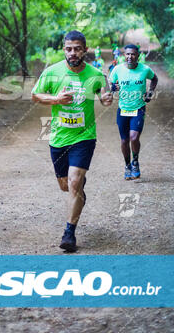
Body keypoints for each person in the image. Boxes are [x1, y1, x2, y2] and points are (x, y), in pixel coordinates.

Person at [32, 30, 113, 252]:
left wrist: (107, 99)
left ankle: (69, 232)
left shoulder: (95, 74)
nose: (73, 53)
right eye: (69, 49)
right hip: (59, 137)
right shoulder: (52, 72)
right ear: (64, 50)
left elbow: (105, 98)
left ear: (85, 50)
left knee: (75, 181)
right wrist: (56, 99)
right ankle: (78, 192)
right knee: (65, 185)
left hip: (84, 137)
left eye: (77, 48)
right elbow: (36, 95)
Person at [109, 44, 158, 180]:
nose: (130, 57)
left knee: (134, 137)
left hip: (139, 108)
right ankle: (127, 166)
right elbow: (110, 85)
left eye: (133, 54)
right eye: (128, 54)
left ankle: (135, 162)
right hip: (123, 109)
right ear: (124, 55)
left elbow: (154, 79)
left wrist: (150, 93)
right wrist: (113, 87)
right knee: (124, 140)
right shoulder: (117, 69)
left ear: (138, 55)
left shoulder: (145, 69)